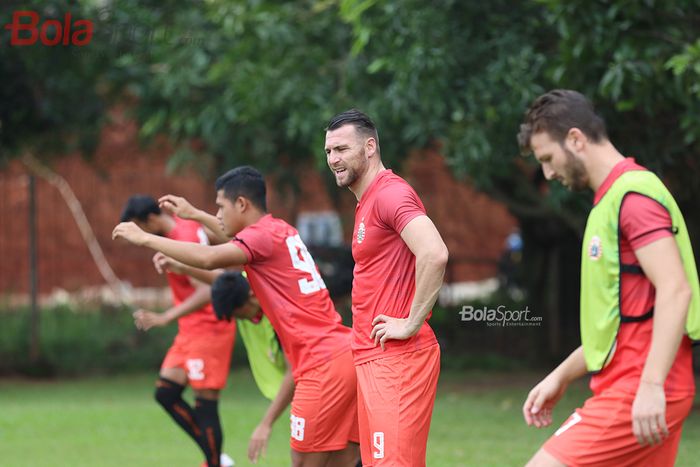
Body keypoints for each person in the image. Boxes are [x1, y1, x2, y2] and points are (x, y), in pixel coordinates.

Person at [113, 168, 360, 467]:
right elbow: (233, 238)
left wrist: (145, 239)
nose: (217, 213)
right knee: (343, 462)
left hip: (320, 365)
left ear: (241, 204)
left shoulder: (260, 237)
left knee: (304, 462)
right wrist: (196, 214)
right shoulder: (280, 229)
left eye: (220, 206)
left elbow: (208, 257)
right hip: (344, 352)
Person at [518, 89, 700, 467]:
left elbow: (675, 289)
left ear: (575, 139)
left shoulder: (634, 198)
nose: (549, 173)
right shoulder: (612, 201)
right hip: (638, 386)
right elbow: (617, 327)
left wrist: (650, 387)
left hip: (640, 389)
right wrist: (561, 376)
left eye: (548, 159)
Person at [324, 109, 449, 466]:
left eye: (342, 149)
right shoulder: (368, 201)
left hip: (397, 358)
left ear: (369, 147)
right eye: (329, 151)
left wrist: (410, 321)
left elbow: (435, 253)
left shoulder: (390, 194)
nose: (333, 159)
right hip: (372, 357)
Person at [117, 195, 236, 467]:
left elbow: (207, 290)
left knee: (205, 405)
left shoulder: (182, 240)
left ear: (150, 220)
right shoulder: (180, 228)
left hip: (209, 328)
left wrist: (164, 317)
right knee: (166, 393)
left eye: (138, 228)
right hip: (190, 330)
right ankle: (216, 459)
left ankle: (215, 462)